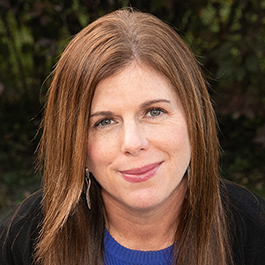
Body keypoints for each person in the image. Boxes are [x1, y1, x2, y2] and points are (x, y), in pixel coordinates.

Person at [0, 8, 265, 265]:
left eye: (154, 112)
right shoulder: (23, 239)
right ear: (74, 142)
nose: (133, 143)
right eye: (104, 122)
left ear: (195, 118)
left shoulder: (255, 233)